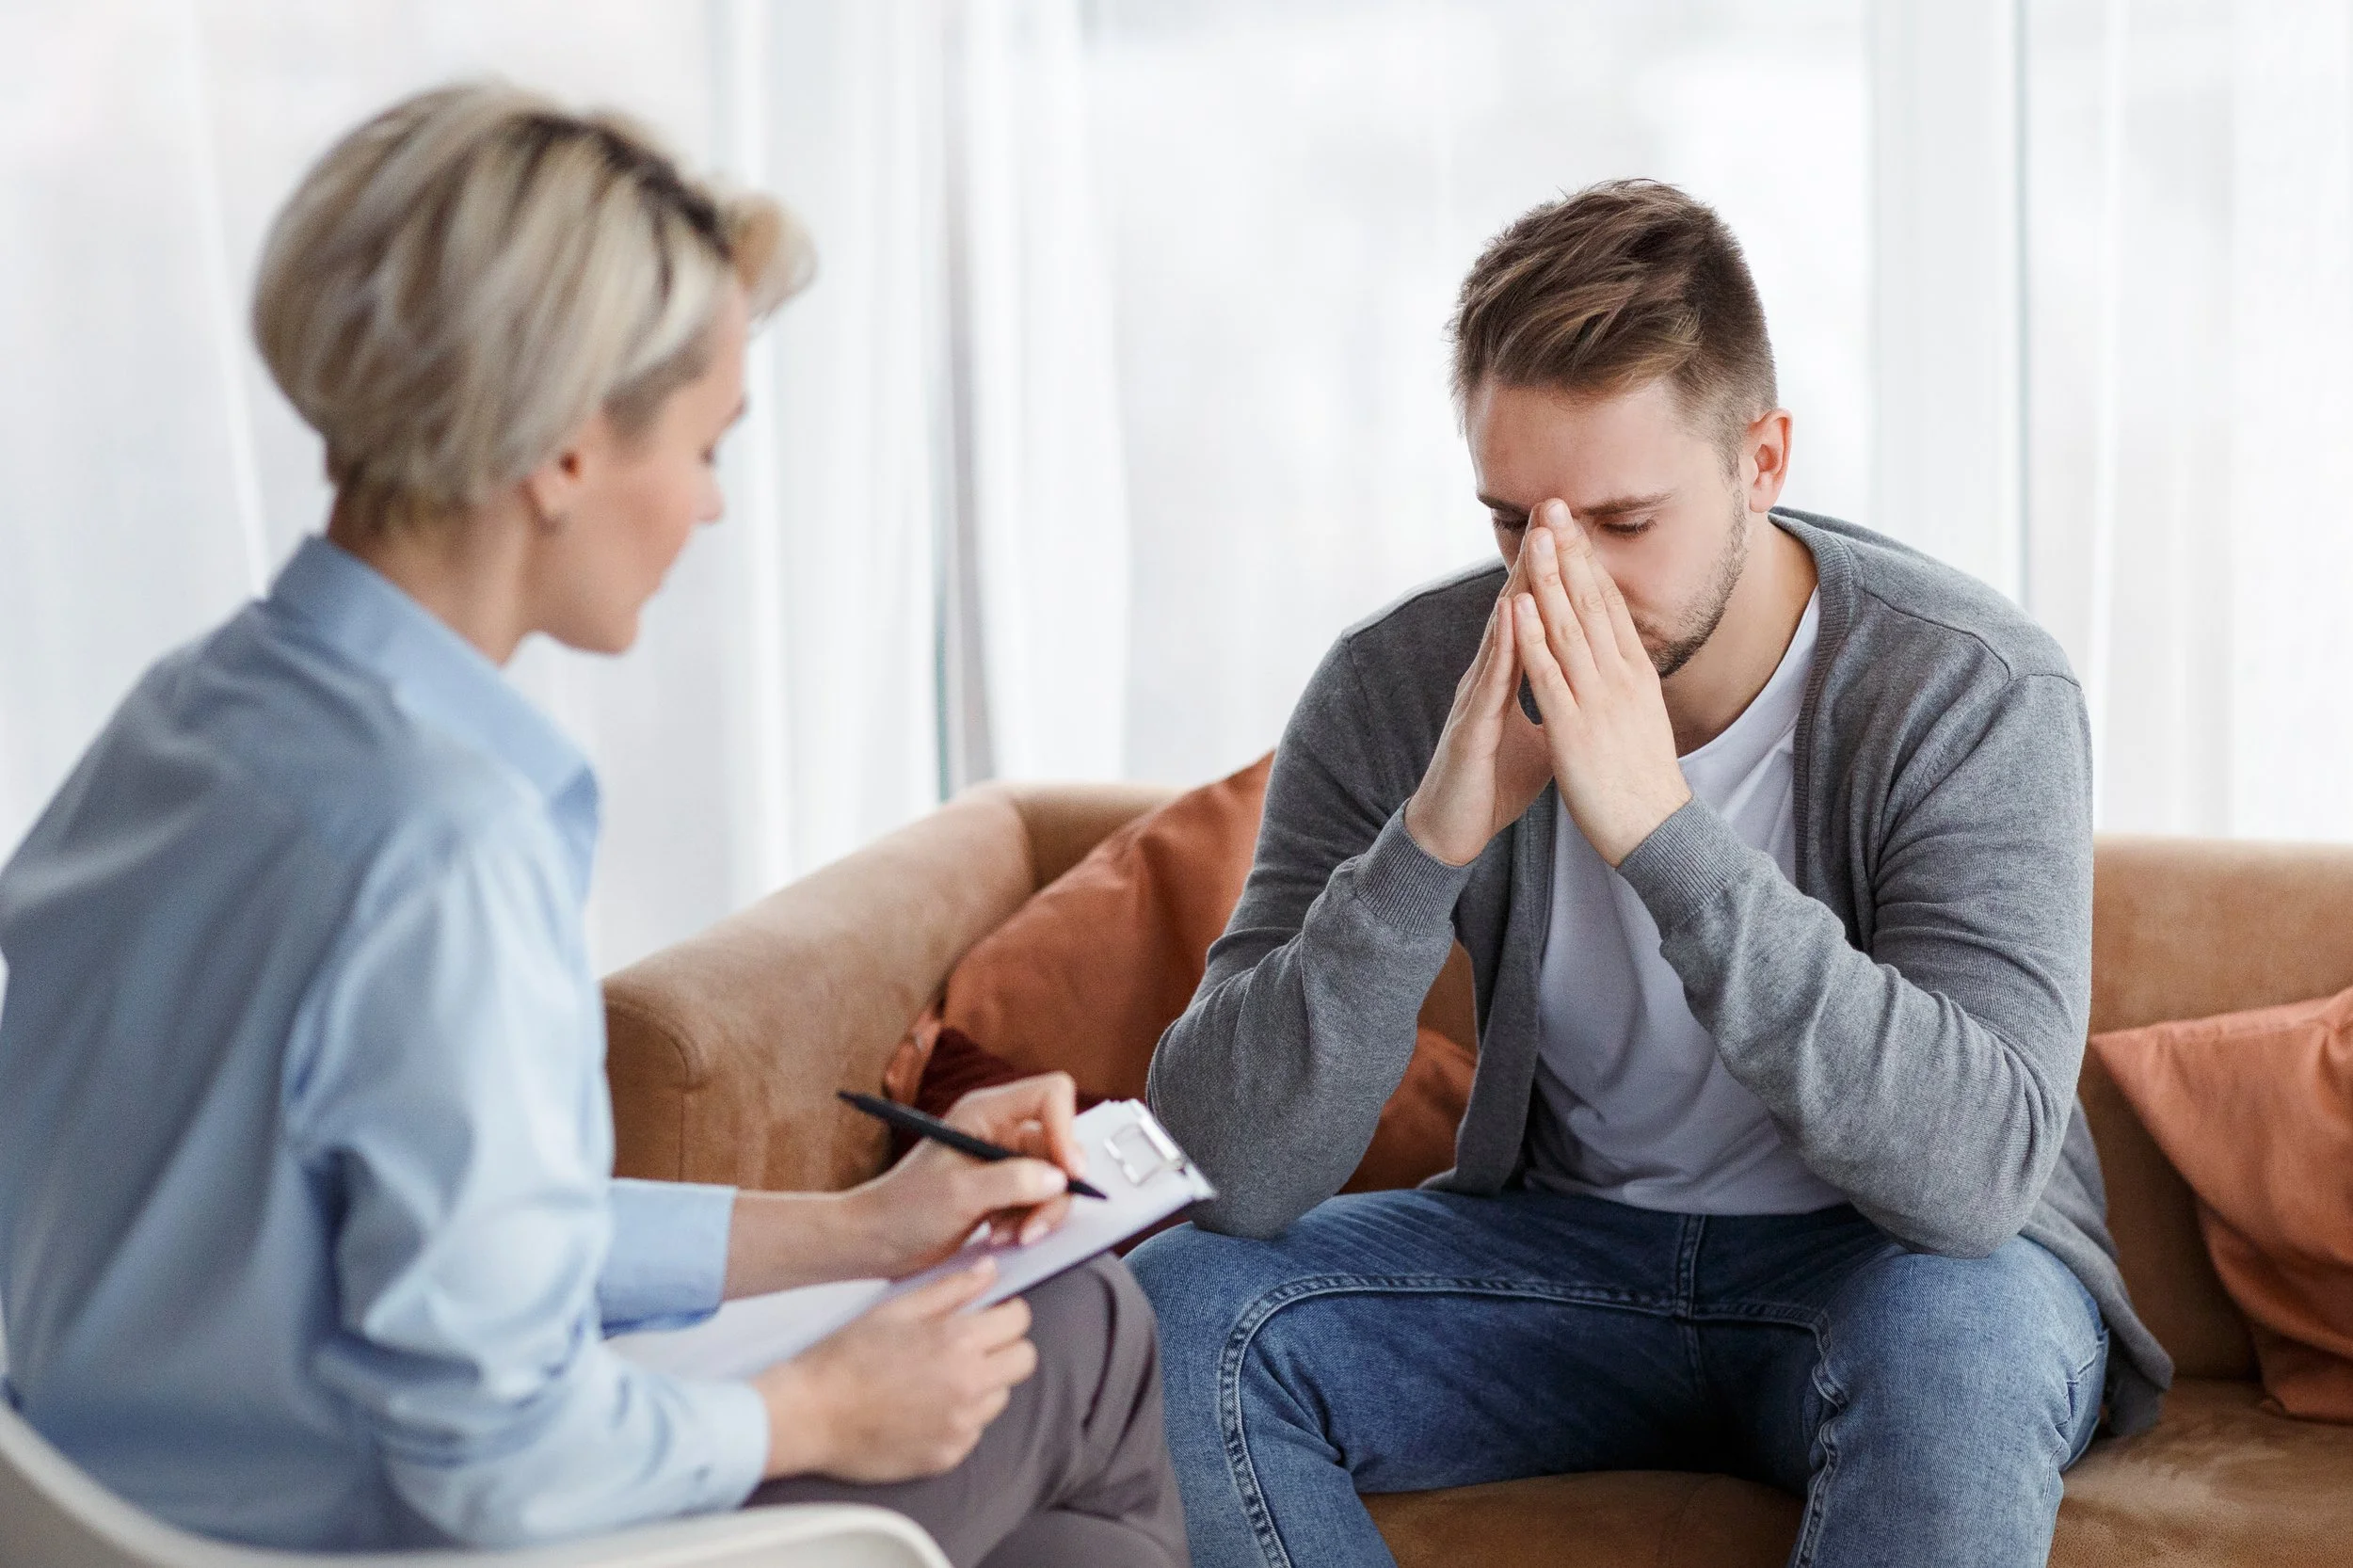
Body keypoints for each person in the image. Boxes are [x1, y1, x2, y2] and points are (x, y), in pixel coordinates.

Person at [0, 83, 1184, 1568]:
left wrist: (875, 1228)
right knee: (1083, 1318)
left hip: (115, 1517)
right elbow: (491, 1468)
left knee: (1064, 1546)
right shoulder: (443, 845)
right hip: (388, 1537)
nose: (711, 509)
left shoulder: (183, 720)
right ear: (565, 451)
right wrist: (814, 1408)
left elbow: (462, 1232)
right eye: (705, 445)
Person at [1130, 179, 2170, 1568]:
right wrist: (1430, 842)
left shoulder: (1971, 688)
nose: (1559, 583)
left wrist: (1663, 834)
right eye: (1514, 524)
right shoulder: (1402, 684)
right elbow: (1225, 1174)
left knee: (1962, 1336)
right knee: (1169, 1305)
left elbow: (1975, 1180)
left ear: (1762, 459)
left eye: (1623, 523)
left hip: (1888, 1275)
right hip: (1562, 1261)